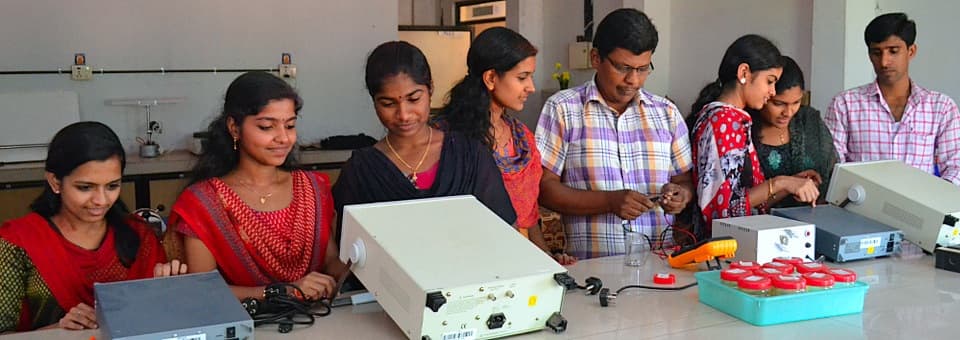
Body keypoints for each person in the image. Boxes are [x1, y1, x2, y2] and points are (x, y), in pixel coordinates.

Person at [168, 71, 347, 302]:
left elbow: (329, 261)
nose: (283, 138)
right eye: (266, 127)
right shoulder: (203, 203)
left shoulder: (312, 188)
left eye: (290, 126)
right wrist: (283, 292)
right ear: (234, 127)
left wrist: (364, 269)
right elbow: (204, 290)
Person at [535, 9, 693, 259]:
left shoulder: (667, 114)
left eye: (643, 69)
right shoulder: (563, 109)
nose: (633, 80)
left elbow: (684, 180)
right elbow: (544, 188)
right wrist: (608, 202)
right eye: (623, 68)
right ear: (596, 58)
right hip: (592, 269)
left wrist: (681, 195)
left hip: (660, 265)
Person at [0, 122, 185, 332]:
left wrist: (169, 292)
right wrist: (58, 329)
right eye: (85, 187)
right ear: (55, 182)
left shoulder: (138, 234)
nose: (101, 200)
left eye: (112, 186)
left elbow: (157, 320)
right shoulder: (18, 242)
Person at [332, 41, 516, 239]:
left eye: (413, 99)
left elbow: (505, 232)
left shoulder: (469, 155)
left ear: (430, 90)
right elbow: (351, 250)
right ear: (374, 102)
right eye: (388, 103)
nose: (403, 115)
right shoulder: (362, 171)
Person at [435, 27, 574, 264]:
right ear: (490, 78)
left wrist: (548, 261)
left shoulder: (522, 138)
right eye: (522, 77)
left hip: (518, 262)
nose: (530, 86)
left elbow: (527, 221)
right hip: (465, 262)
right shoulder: (445, 138)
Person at [689, 34, 820, 233]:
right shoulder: (726, 121)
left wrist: (791, 184)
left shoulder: (729, 118)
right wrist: (780, 182)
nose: (773, 91)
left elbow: (747, 204)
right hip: (724, 247)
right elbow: (722, 212)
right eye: (769, 81)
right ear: (744, 72)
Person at [825, 12, 960, 185]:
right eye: (876, 53)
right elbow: (833, 166)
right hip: (859, 207)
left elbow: (956, 167)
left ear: (911, 51)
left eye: (893, 51)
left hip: (919, 207)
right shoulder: (845, 104)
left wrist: (933, 203)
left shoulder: (940, 107)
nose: (884, 62)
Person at [749, 56, 837, 208]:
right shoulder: (744, 130)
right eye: (778, 104)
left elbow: (832, 174)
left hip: (814, 222)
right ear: (765, 95)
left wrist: (811, 185)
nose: (788, 112)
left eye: (796, 102)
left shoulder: (809, 121)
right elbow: (739, 204)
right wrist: (787, 185)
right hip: (761, 226)